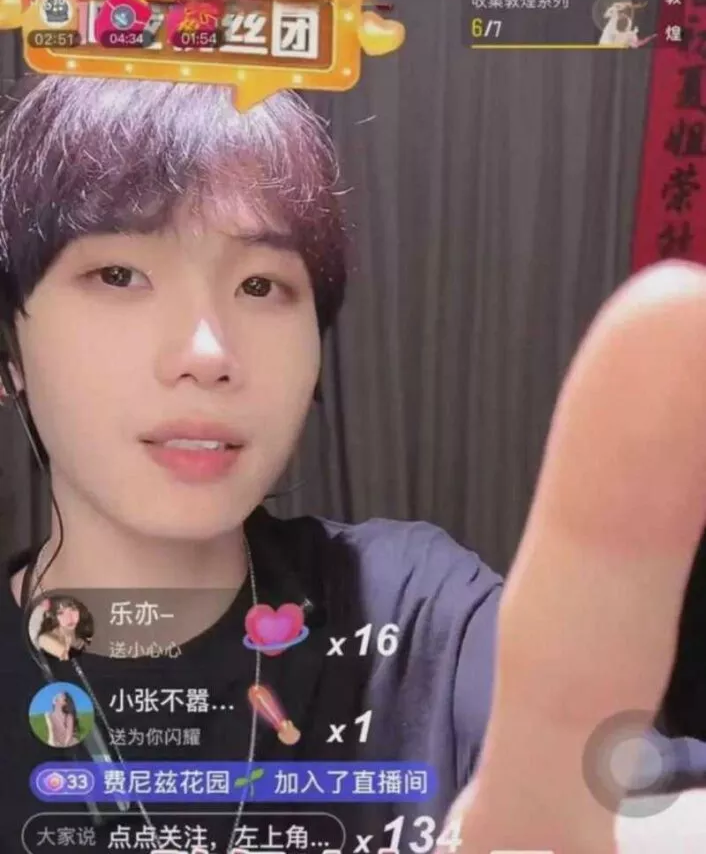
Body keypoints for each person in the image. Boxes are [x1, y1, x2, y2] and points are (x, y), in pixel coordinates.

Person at [0, 75, 704, 854]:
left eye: (261, 284)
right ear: (11, 349)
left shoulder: (415, 614)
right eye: (118, 275)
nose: (207, 354)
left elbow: (637, 804)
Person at [29, 594, 93, 661]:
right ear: (53, 616)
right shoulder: (45, 639)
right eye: (61, 613)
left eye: (73, 609)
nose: (69, 617)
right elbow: (67, 659)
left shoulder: (82, 634)